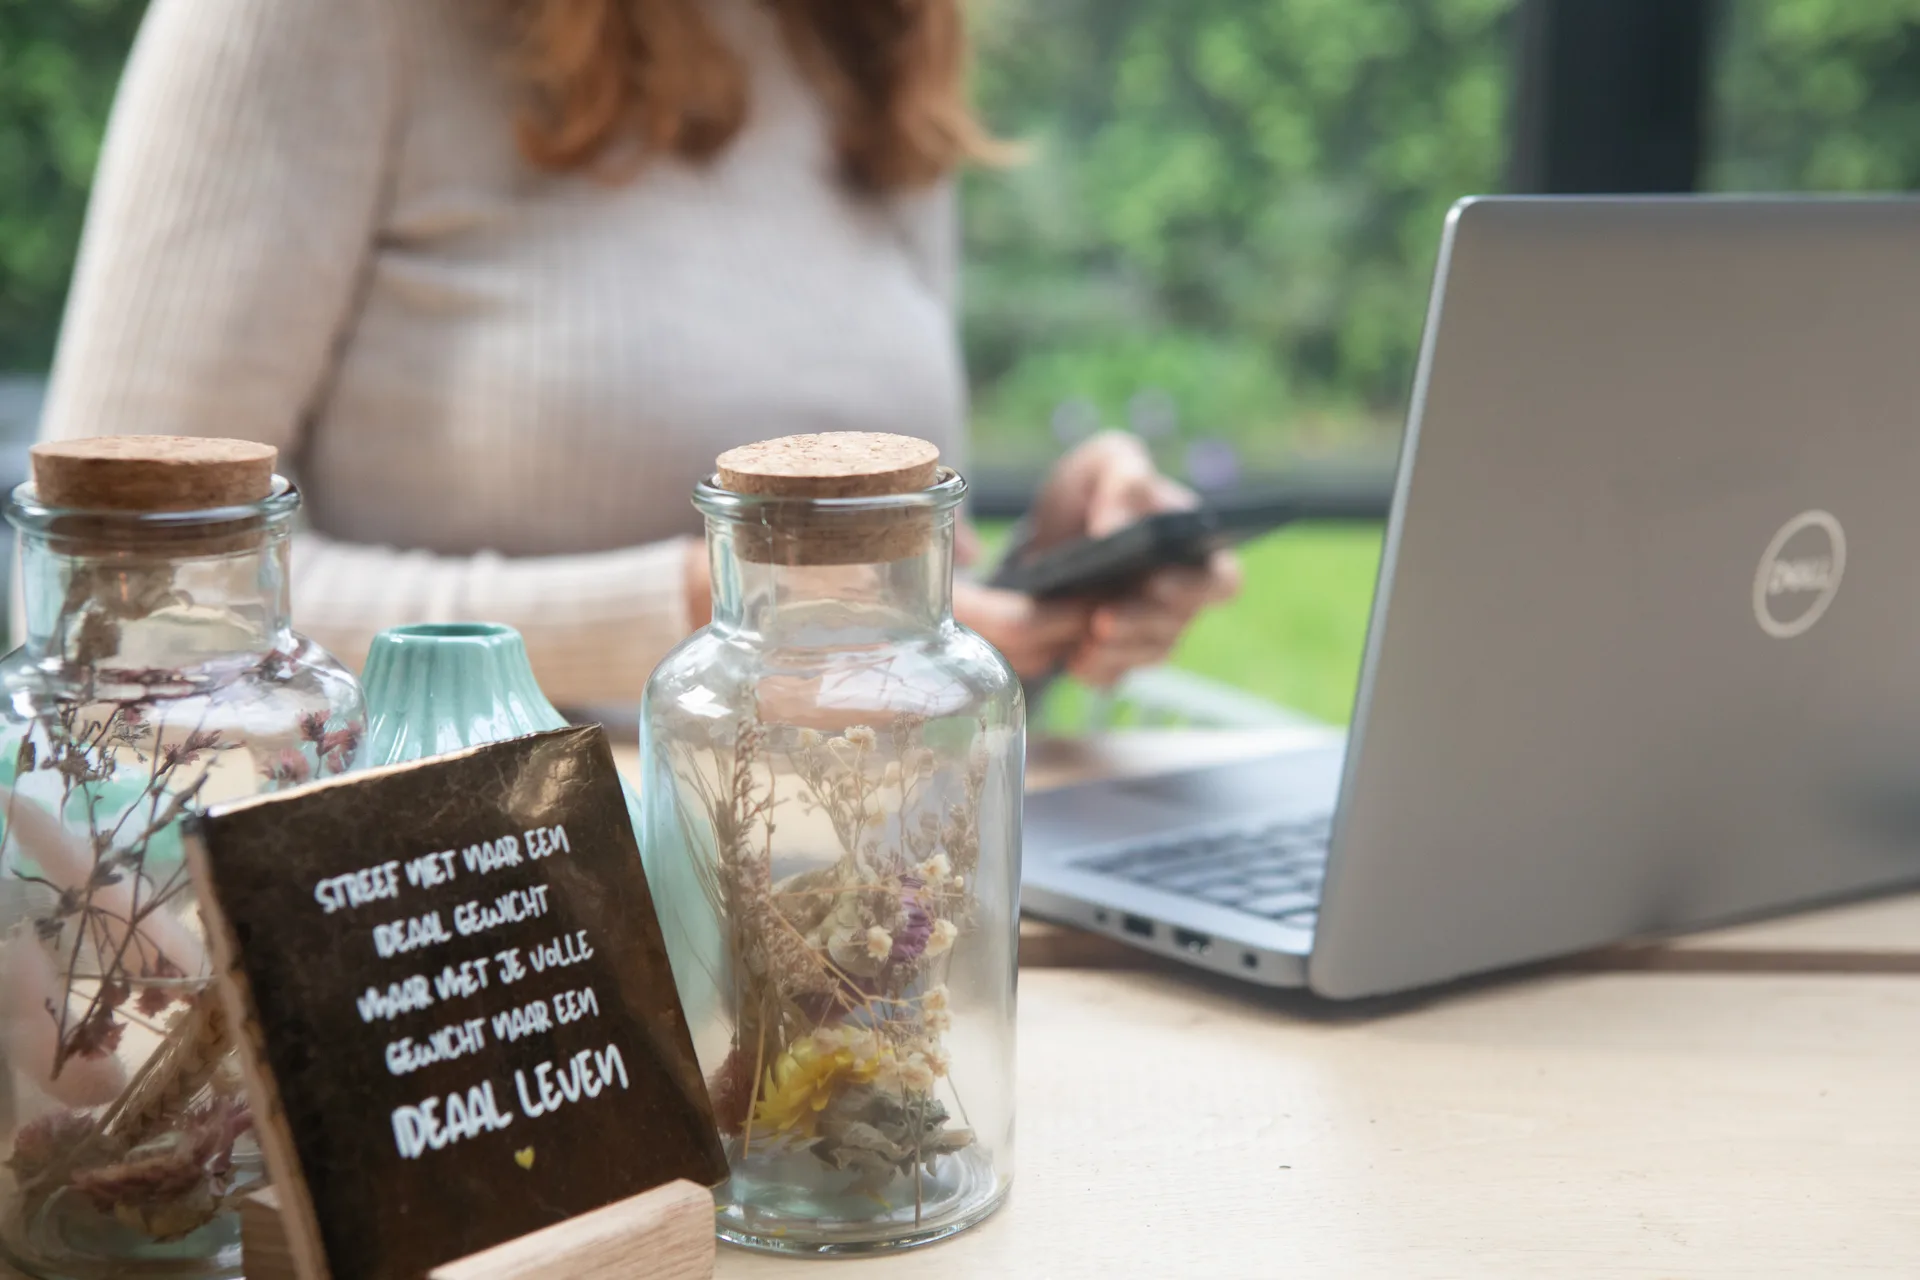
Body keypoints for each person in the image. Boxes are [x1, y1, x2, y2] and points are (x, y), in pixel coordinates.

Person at [36, 0, 1239, 707]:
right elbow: (116, 588)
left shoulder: (873, 42)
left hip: (856, 923)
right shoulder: (315, 26)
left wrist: (1030, 587)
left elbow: (853, 668)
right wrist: (694, 610)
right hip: (472, 948)